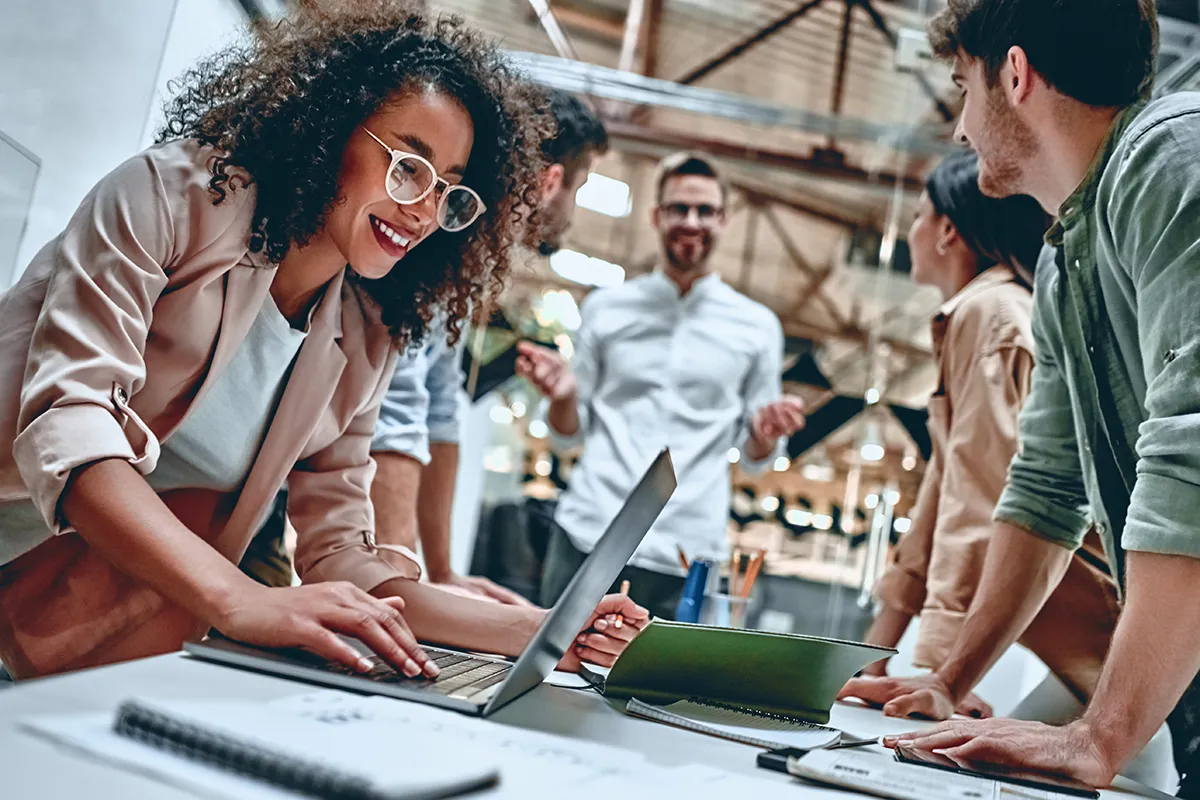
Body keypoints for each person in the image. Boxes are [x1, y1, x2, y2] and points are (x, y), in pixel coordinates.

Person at [0, 3, 646, 682]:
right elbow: (70, 424)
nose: (423, 210)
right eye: (408, 167)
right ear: (331, 127)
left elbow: (341, 554)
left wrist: (547, 629)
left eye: (450, 192)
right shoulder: (167, 199)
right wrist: (242, 600)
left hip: (53, 616)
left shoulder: (366, 334)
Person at [843, 0, 1200, 793]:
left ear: (1014, 73)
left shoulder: (1171, 156)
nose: (963, 129)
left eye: (964, 85)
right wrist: (946, 676)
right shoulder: (1069, 257)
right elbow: (1044, 489)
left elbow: (1195, 456)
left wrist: (1098, 737)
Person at [519, 152, 807, 620]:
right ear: (656, 216)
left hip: (688, 551)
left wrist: (765, 434)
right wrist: (565, 397)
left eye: (705, 211)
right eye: (678, 208)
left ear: (724, 220)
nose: (691, 222)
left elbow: (757, 460)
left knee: (662, 692)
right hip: (591, 533)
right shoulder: (607, 308)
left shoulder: (758, 327)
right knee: (551, 675)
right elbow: (566, 433)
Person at [365, 89, 608, 604]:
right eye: (580, 188)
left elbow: (439, 406)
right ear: (551, 181)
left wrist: (442, 572)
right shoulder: (440, 237)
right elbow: (399, 409)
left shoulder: (472, 261)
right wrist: (406, 590)